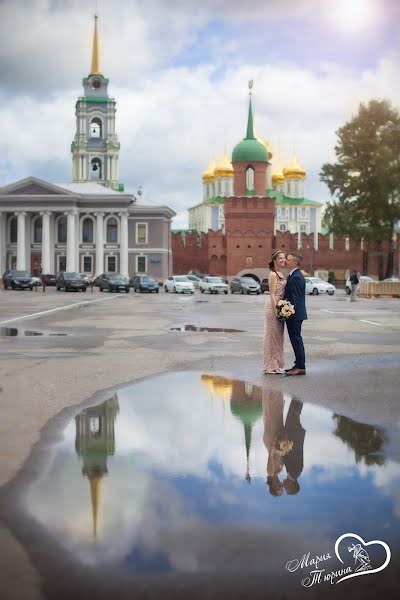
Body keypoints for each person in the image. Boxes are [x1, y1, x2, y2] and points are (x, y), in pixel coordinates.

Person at [263, 249, 287, 374]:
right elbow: (272, 295)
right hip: (273, 308)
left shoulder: (281, 273)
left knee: (278, 337)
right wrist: (277, 310)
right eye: (280, 258)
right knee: (271, 337)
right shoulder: (273, 274)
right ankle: (270, 366)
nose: (283, 260)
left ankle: (277, 364)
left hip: (280, 307)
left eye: (284, 258)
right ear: (274, 261)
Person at [284, 253, 307, 376]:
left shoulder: (297, 276)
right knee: (295, 339)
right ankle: (297, 364)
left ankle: (301, 367)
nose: (286, 261)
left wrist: (288, 312)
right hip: (294, 314)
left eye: (288, 260)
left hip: (295, 315)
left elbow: (295, 299)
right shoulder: (293, 275)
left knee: (296, 339)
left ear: (294, 263)